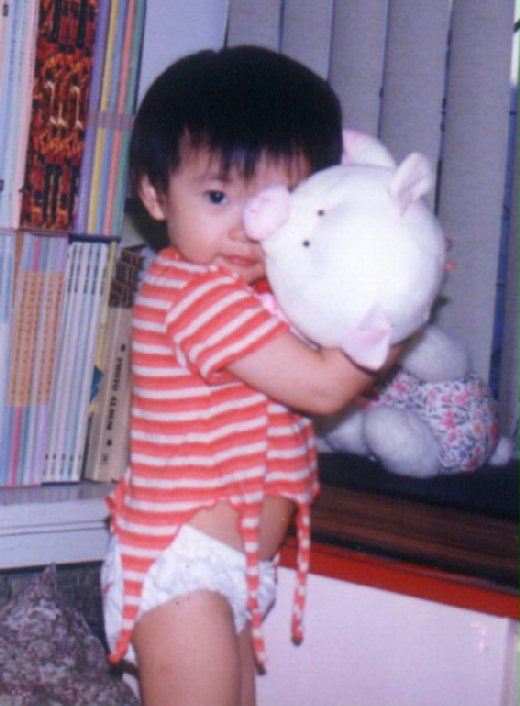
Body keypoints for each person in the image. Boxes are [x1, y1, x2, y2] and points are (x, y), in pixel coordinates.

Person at [101, 45, 402, 706]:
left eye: (275, 201)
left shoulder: (264, 295)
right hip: (181, 565)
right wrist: (403, 298)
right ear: (155, 193)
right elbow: (323, 386)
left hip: (236, 569)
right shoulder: (193, 293)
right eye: (217, 196)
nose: (246, 227)